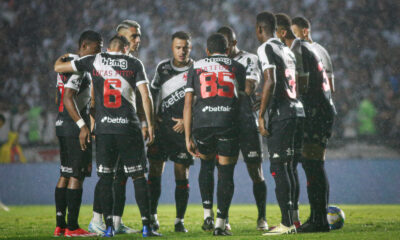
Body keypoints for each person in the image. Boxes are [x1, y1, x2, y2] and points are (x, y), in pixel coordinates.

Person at [54, 35, 161, 237]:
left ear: (108, 47)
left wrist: (63, 57)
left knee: (106, 178)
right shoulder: (134, 63)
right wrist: (151, 124)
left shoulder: (95, 60)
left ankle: (109, 227)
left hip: (104, 131)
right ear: (126, 48)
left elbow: (59, 69)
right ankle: (147, 226)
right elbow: (145, 96)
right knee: (138, 176)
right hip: (128, 128)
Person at [183, 33, 246, 236]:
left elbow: (188, 103)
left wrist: (187, 136)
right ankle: (220, 224)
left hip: (203, 124)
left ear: (207, 51)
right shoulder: (237, 67)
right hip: (228, 122)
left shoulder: (197, 66)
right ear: (228, 50)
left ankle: (207, 213)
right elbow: (242, 99)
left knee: (206, 165)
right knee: (226, 173)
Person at [88, 19, 143, 235]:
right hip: (108, 126)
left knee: (120, 176)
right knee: (107, 174)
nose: (137, 39)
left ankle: (117, 222)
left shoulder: (131, 62)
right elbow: (94, 97)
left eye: (138, 35)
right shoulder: (105, 61)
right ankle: (97, 219)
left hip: (125, 126)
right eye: (133, 36)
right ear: (121, 38)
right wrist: (93, 123)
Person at [255, 11, 305, 235]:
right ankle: (294, 220)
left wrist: (262, 114)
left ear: (259, 29)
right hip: (297, 110)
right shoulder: (287, 49)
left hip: (282, 114)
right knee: (290, 168)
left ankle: (286, 223)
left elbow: (270, 80)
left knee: (278, 166)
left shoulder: (266, 48)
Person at [216, 26, 268, 231]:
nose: (223, 51)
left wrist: (222, 87)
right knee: (224, 173)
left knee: (256, 171)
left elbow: (249, 88)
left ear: (234, 43)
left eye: (226, 46)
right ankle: (224, 220)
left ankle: (262, 218)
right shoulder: (215, 62)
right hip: (225, 123)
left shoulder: (250, 59)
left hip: (247, 122)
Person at [53, 30, 102, 237]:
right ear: (84, 46)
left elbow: (60, 99)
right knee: (76, 175)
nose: (100, 50)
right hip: (74, 127)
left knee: (64, 174)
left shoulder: (67, 63)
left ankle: (60, 225)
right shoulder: (80, 68)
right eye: (97, 46)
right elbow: (68, 98)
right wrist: (83, 125)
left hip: (62, 123)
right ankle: (72, 227)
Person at [291, 16, 337, 232]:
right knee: (316, 164)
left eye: (294, 34)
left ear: (305, 32)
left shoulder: (302, 51)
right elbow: (331, 86)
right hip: (325, 110)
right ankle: (321, 216)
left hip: (314, 112)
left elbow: (303, 85)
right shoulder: (323, 52)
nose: (291, 39)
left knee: (312, 165)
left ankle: (318, 220)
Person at [146, 31, 194, 232]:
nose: (182, 51)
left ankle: (179, 220)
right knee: (155, 170)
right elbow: (152, 91)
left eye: (185, 47)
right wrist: (153, 116)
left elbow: (201, 99)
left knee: (181, 173)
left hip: (183, 131)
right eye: (178, 47)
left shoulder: (196, 68)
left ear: (190, 48)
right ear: (172, 48)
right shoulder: (163, 68)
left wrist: (187, 120)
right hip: (163, 129)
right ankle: (152, 215)